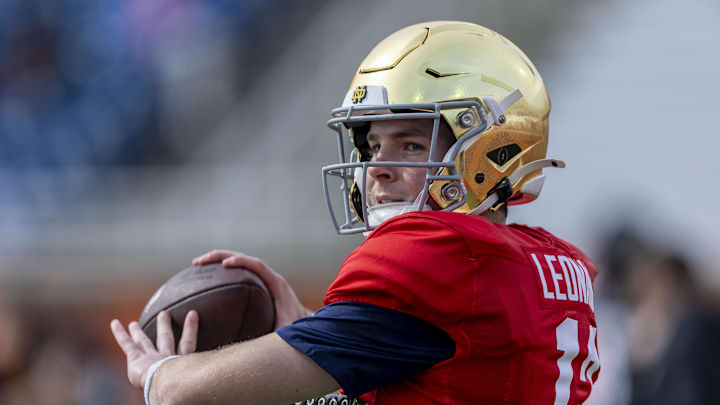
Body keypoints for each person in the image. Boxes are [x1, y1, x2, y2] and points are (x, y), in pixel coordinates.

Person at [111, 21, 601, 404]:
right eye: (371, 145)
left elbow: (183, 394)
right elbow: (434, 375)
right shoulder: (553, 263)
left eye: (410, 145)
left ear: (491, 150)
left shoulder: (434, 255)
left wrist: (160, 375)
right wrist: (312, 329)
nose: (376, 169)